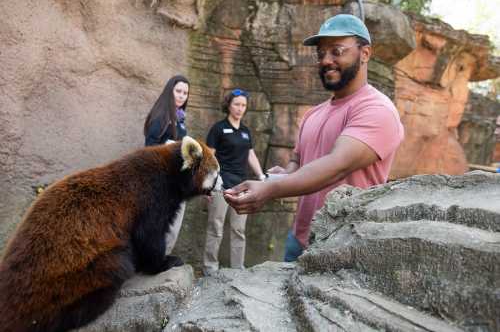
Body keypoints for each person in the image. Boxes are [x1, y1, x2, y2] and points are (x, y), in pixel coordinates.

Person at [224, 14, 405, 262]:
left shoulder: (377, 110)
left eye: (337, 51)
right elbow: (298, 161)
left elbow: (336, 165)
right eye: (321, 54)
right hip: (298, 240)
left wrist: (270, 189)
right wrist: (283, 175)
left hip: (344, 247)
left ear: (365, 53)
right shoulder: (314, 114)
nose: (326, 60)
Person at [203, 89, 266, 275]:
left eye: (243, 105)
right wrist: (208, 184)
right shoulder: (218, 128)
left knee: (239, 230)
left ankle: (237, 269)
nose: (240, 108)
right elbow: (209, 157)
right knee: (216, 227)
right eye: (237, 104)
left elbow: (250, 154)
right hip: (221, 184)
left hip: (242, 186)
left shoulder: (246, 132)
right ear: (229, 105)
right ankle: (210, 269)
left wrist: (261, 176)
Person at [143, 74, 190, 254]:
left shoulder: (180, 117)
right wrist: (167, 148)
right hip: (160, 180)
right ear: (170, 91)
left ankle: (163, 258)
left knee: (172, 225)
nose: (181, 96)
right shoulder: (160, 116)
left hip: (176, 179)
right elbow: (148, 149)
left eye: (185, 93)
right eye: (178, 91)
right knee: (161, 225)